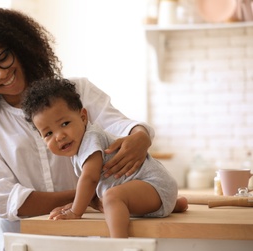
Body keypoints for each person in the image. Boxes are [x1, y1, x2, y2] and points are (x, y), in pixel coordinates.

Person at [0, 7, 187, 251]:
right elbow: (7, 202)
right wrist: (87, 195)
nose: (1, 73)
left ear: (18, 44)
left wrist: (140, 136)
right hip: (15, 245)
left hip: (80, 239)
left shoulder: (76, 90)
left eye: (2, 57)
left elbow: (122, 127)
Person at [22, 77, 179, 238]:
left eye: (64, 124)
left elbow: (90, 179)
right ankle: (174, 204)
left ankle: (119, 245)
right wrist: (76, 204)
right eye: (48, 133)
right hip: (155, 194)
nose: (59, 136)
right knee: (110, 196)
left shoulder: (91, 138)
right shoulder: (79, 147)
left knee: (112, 197)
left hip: (154, 185)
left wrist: (75, 211)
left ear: (83, 117)